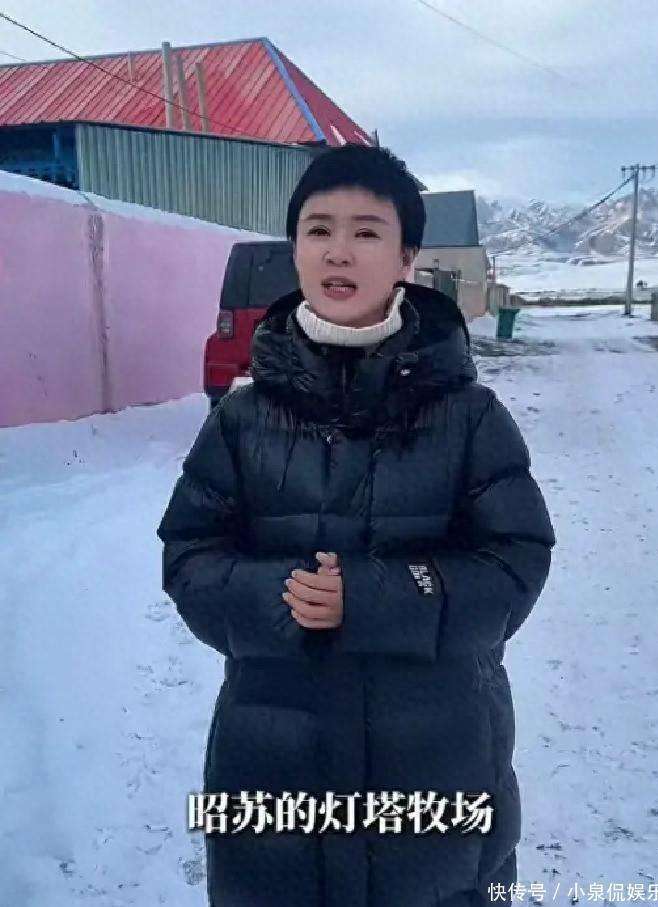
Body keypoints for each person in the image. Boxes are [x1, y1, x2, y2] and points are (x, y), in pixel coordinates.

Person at [156, 143, 556, 907]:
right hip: (271, 760)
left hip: (437, 759)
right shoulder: (241, 420)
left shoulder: (470, 416)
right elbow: (189, 553)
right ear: (296, 248)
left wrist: (376, 596)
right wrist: (280, 595)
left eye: (366, 232)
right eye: (318, 229)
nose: (338, 251)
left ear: (407, 257)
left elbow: (516, 563)